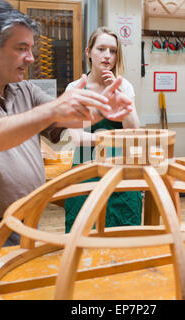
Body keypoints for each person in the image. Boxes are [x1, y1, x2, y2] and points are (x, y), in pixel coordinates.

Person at [0, 1, 133, 253]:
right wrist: (53, 109)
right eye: (22, 48)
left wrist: (102, 106)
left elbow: (66, 117)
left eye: (31, 49)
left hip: (27, 223)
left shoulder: (23, 90)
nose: (31, 58)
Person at [64, 27, 142, 233]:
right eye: (101, 49)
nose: (108, 55)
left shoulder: (124, 86)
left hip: (121, 168)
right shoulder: (74, 88)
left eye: (113, 51)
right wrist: (115, 138)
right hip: (85, 165)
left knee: (124, 231)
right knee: (82, 231)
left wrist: (119, 96)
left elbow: (134, 131)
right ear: (88, 52)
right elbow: (78, 138)